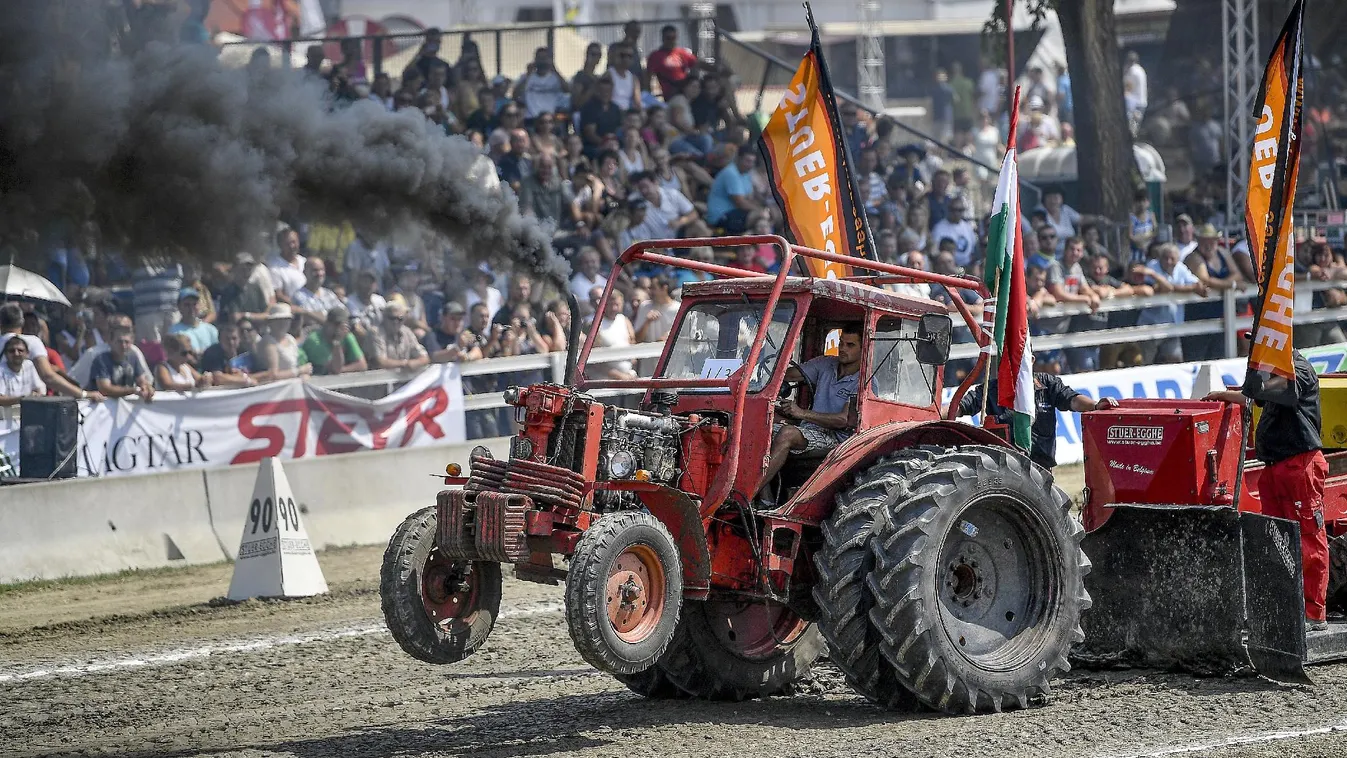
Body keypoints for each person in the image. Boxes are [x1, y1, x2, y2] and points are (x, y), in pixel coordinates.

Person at [1207, 349, 1327, 630]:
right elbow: (1258, 395)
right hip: (1277, 467)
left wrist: (1251, 384)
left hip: (1299, 463)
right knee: (1277, 538)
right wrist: (1229, 396)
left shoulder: (1298, 369)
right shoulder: (1277, 372)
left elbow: (1278, 390)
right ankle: (1286, 608)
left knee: (1308, 539)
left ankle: (1313, 614)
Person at [756, 324, 865, 508]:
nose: (843, 349)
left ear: (864, 350)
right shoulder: (826, 364)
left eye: (850, 345)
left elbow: (843, 420)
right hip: (809, 430)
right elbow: (790, 375)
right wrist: (777, 361)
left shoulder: (864, 382)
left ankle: (748, 490)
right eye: (841, 343)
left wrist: (800, 413)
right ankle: (765, 498)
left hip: (837, 439)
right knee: (759, 425)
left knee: (787, 433)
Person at [954, 372, 1119, 470]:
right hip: (1003, 470)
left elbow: (1072, 400)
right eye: (1008, 360)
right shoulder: (989, 389)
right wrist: (935, 413)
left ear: (1030, 360)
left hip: (1041, 470)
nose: (1014, 367)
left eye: (1019, 360)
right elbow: (960, 406)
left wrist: (1095, 405)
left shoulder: (1047, 384)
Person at [0, 303, 101, 402]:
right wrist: (83, 394)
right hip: (25, 410)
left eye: (20, 351)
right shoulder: (32, 342)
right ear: (22, 322)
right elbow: (48, 376)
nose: (16, 353)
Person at [706, 148, 765, 235]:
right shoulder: (731, 173)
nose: (750, 165)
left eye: (752, 162)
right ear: (738, 159)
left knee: (767, 216)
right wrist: (761, 210)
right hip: (720, 217)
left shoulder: (745, 174)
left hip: (734, 213)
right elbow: (740, 203)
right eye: (747, 161)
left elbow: (750, 197)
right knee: (759, 216)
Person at [87, 327, 154, 401]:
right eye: (119, 341)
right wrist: (133, 391)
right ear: (110, 342)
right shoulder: (101, 360)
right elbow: (105, 389)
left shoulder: (133, 358)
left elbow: (142, 381)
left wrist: (147, 388)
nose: (123, 345)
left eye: (127, 342)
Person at [302, 307, 367, 376]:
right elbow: (335, 368)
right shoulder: (315, 340)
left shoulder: (347, 335)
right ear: (327, 323)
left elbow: (362, 365)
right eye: (336, 324)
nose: (339, 329)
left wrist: (343, 369)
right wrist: (337, 343)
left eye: (342, 325)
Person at [370, 300, 430, 371]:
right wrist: (405, 364)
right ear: (384, 317)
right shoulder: (375, 332)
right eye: (392, 318)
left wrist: (416, 362)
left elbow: (425, 357)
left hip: (402, 378)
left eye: (400, 319)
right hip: (377, 379)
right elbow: (381, 362)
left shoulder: (407, 332)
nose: (395, 322)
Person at [0, 337, 45, 431]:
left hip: (29, 418)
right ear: (5, 354)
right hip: (5, 422)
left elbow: (39, 389)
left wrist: (36, 396)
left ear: (27, 353)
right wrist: (23, 399)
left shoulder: (29, 365)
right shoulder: (1, 370)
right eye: (11, 351)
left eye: (20, 350)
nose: (16, 353)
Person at [513, 47, 568, 121]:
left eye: (545, 58)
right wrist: (528, 74)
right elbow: (516, 95)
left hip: (551, 118)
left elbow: (567, 90)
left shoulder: (556, 78)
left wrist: (555, 70)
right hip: (531, 117)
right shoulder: (526, 77)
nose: (542, 61)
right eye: (540, 58)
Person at [198, 322, 255, 387]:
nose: (231, 342)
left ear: (240, 339)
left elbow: (255, 374)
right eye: (227, 339)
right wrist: (247, 380)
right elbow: (218, 378)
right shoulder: (212, 353)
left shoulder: (245, 351)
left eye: (234, 338)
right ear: (219, 339)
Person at [167, 287, 218, 352]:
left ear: (199, 305)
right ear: (179, 307)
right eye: (187, 305)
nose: (191, 308)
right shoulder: (174, 332)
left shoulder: (210, 329)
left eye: (194, 304)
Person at [268, 227, 306, 303]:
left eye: (294, 242)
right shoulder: (274, 267)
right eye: (287, 244)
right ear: (280, 245)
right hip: (292, 308)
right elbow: (278, 295)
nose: (292, 246)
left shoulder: (304, 261)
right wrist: (299, 306)